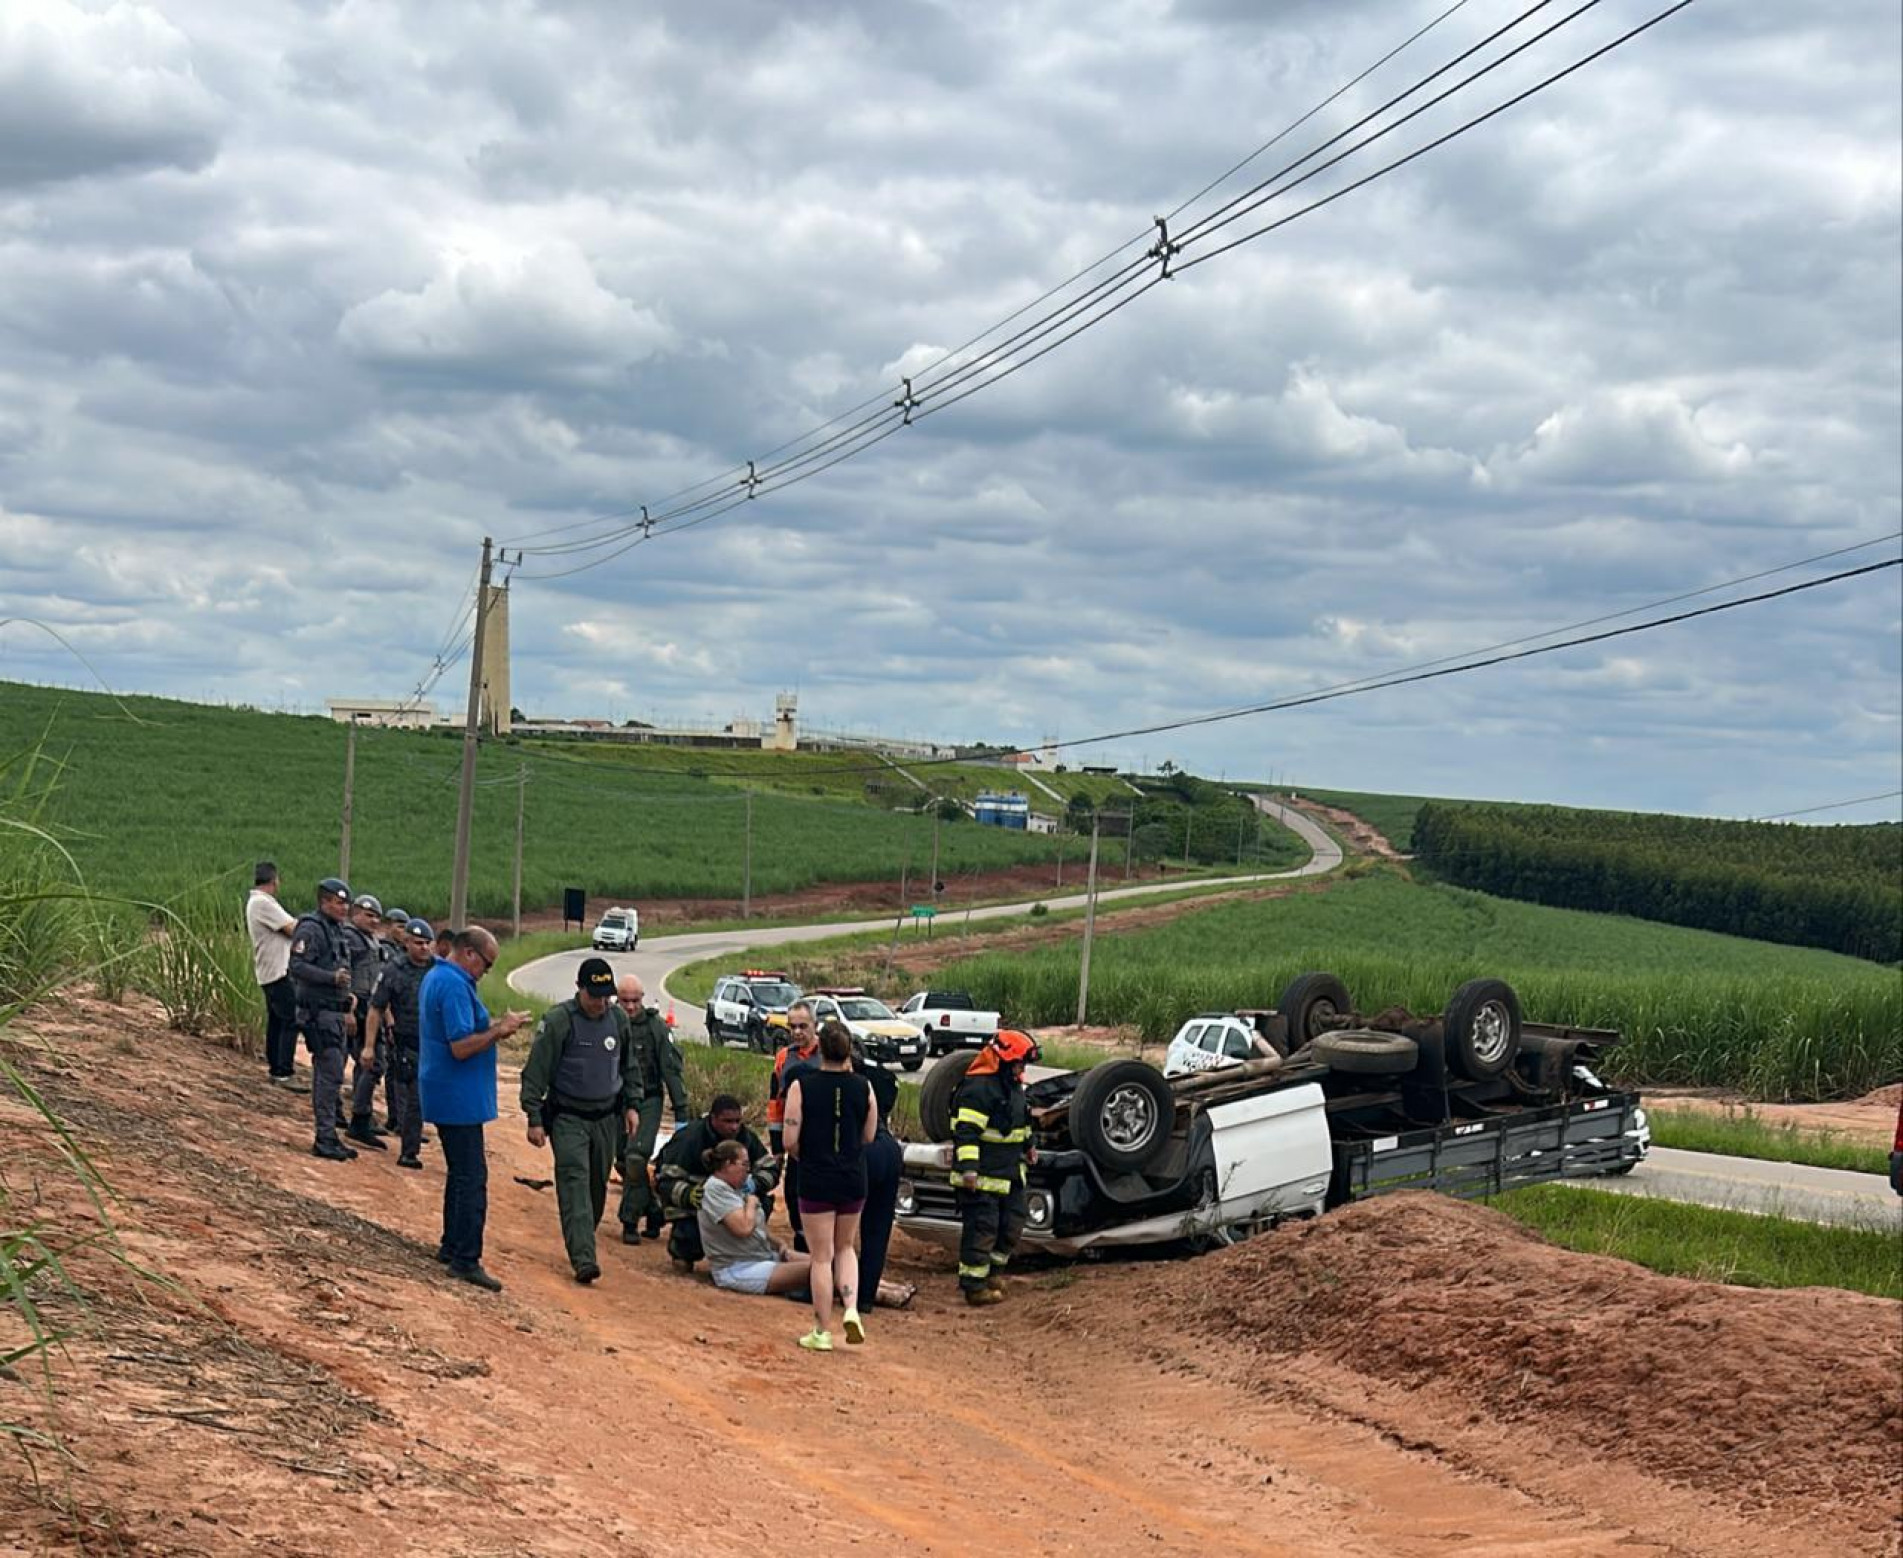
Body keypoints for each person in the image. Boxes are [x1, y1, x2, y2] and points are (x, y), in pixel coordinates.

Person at [420, 926, 530, 1292]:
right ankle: (466, 1258)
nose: (486, 972)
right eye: (487, 964)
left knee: (460, 1174)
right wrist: (500, 1030)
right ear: (469, 954)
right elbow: (461, 1046)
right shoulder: (452, 985)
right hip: (456, 1096)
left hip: (451, 1093)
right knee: (471, 1178)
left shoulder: (443, 977)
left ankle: (451, 1246)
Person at [518, 958, 642, 1284]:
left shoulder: (617, 1020)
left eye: (606, 996)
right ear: (579, 990)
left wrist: (632, 1105)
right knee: (574, 1183)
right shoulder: (560, 1021)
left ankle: (583, 1235)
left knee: (596, 1188)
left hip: (606, 1118)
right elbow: (536, 1073)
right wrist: (534, 1117)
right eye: (594, 996)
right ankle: (584, 1258)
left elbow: (628, 1067)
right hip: (569, 1118)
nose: (601, 1003)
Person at [783, 1019, 875, 1350]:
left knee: (821, 1257)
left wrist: (802, 1155)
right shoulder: (864, 1087)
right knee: (846, 1247)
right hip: (852, 1177)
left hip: (815, 1177)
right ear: (849, 1050)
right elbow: (868, 1135)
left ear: (819, 1048)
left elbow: (789, 1139)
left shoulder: (801, 1086)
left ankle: (822, 1330)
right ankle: (850, 1309)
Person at [950, 1029, 1039, 1306]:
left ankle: (992, 1273)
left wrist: (1029, 1145)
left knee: (1013, 1224)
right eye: (1018, 1063)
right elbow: (965, 1132)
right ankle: (974, 1286)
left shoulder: (1012, 1086)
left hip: (1010, 1174)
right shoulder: (977, 1089)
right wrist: (969, 1170)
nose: (1022, 1069)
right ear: (1002, 1060)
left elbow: (1020, 1121)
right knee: (982, 1229)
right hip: (981, 1178)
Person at [654, 1094, 777, 1273]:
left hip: (735, 1207)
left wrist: (754, 1185)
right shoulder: (689, 1139)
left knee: (762, 1202)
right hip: (697, 1208)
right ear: (712, 1118)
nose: (734, 1127)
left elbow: (770, 1169)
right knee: (689, 1234)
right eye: (727, 1121)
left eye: (737, 1121)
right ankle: (683, 1252)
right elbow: (663, 1180)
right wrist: (688, 1194)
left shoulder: (746, 1137)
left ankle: (744, 1256)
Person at [287, 878, 359, 1161]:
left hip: (335, 1012)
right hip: (319, 1013)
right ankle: (325, 1137)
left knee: (332, 1075)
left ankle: (329, 1134)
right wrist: (331, 979)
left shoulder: (337, 930)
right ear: (324, 902)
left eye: (346, 903)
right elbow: (297, 965)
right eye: (339, 902)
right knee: (328, 1076)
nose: (344, 908)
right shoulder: (311, 929)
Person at [615, 975, 689, 1246]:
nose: (631, 1007)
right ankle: (655, 1209)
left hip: (648, 1100)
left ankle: (629, 1219)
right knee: (622, 1160)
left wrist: (681, 1111)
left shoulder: (655, 1027)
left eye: (635, 1001)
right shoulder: (609, 1022)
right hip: (615, 1102)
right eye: (625, 1001)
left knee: (636, 1157)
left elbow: (671, 1069)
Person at [697, 1140, 812, 1298]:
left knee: (828, 1263)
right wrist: (751, 1203)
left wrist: (779, 1245)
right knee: (822, 1270)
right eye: (744, 1164)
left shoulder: (734, 1189)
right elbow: (743, 1228)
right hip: (740, 1268)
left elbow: (758, 1230)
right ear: (728, 1164)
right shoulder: (715, 1189)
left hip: (763, 1257)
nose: (748, 1171)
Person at [366, 917, 435, 1169]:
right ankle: (408, 1151)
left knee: (421, 1100)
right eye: (418, 943)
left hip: (432, 1046)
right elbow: (376, 1008)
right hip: (405, 1045)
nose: (424, 948)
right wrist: (369, 1046)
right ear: (407, 943)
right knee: (408, 1100)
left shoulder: (437, 970)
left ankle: (410, 1144)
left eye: (428, 943)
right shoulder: (393, 970)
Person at [851, 1042, 910, 1310]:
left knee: (842, 1233)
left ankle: (843, 1291)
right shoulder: (882, 1078)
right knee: (877, 1229)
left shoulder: (839, 1083)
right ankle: (865, 1298)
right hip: (889, 1149)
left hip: (862, 1150)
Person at [767, 1001, 820, 1250]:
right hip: (795, 1141)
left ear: (815, 1026)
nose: (797, 1032)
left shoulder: (829, 1053)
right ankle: (802, 1247)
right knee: (793, 1195)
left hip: (823, 1140)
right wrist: (777, 1148)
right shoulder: (783, 1058)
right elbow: (774, 1105)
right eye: (793, 1027)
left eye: (803, 1026)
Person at [245, 861, 300, 1089]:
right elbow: (292, 928)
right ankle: (283, 1071)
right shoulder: (262, 903)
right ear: (274, 880)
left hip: (270, 970)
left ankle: (276, 1068)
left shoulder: (257, 903)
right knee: (290, 1019)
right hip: (277, 970)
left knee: (277, 1021)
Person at [342, 893, 388, 1149]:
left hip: (373, 1007)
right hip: (358, 1006)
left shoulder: (371, 940)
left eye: (376, 917)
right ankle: (358, 1119)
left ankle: (363, 1115)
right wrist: (347, 1008)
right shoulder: (350, 938)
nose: (373, 921)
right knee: (372, 1062)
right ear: (355, 913)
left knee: (369, 1064)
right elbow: (344, 971)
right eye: (368, 915)